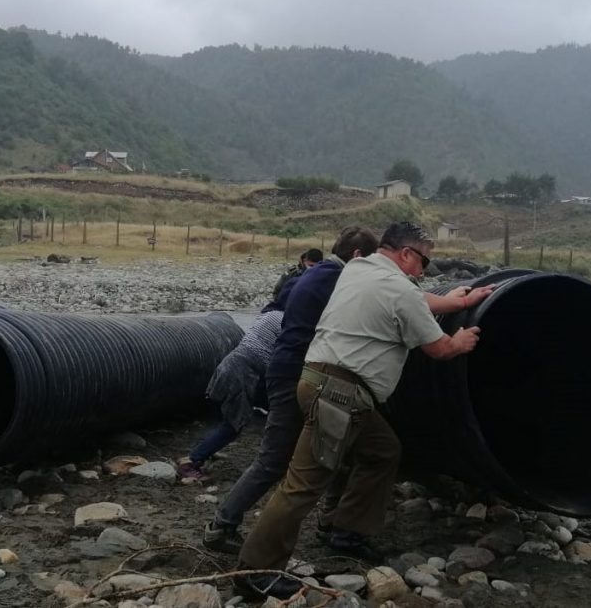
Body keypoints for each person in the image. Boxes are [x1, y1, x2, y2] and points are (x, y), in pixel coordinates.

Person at [234, 222, 494, 600]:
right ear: (406, 254)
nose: (423, 271)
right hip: (341, 395)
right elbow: (439, 349)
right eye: (423, 261)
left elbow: (409, 298)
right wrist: (462, 339)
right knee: (303, 484)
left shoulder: (359, 269)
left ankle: (346, 529)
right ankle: (256, 570)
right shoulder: (401, 289)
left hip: (318, 382)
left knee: (382, 450)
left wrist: (456, 302)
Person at [203, 227, 378, 554]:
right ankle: (221, 526)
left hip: (286, 369)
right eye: (373, 263)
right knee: (277, 459)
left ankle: (329, 521)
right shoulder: (338, 280)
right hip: (298, 372)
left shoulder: (311, 274)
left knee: (335, 447)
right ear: (357, 257)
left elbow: (279, 305)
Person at [177, 307, 285, 481]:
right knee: (232, 427)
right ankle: (191, 461)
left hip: (230, 368)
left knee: (232, 421)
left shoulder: (268, 315)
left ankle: (205, 451)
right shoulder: (284, 320)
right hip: (241, 376)